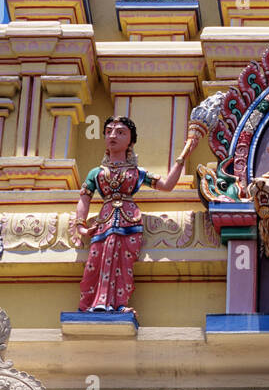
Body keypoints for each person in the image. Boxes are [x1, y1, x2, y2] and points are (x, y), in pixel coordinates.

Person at [75, 116, 188, 313]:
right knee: (96, 261)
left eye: (120, 132)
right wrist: (80, 225)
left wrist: (184, 156)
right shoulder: (96, 173)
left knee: (123, 262)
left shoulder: (137, 172)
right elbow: (84, 197)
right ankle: (93, 304)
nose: (113, 135)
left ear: (131, 141)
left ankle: (119, 304)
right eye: (109, 131)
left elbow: (167, 186)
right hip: (103, 222)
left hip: (129, 223)